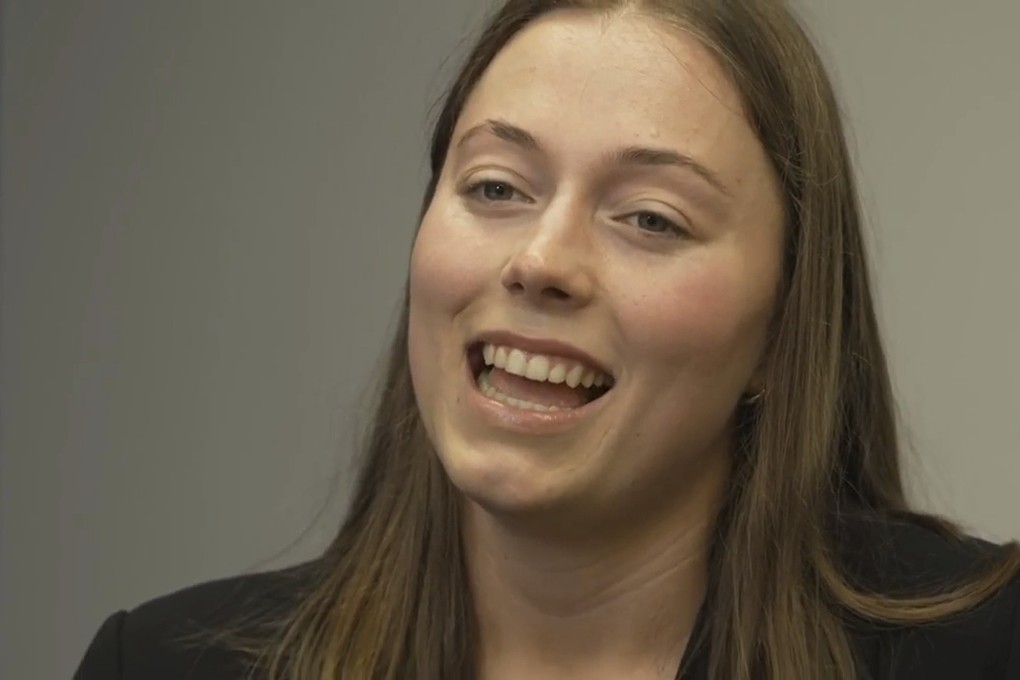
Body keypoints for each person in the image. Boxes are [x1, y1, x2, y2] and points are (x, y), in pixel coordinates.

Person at [74, 1, 1020, 679]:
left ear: (784, 330)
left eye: (650, 218)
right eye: (496, 187)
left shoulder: (988, 649)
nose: (540, 261)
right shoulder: (155, 665)